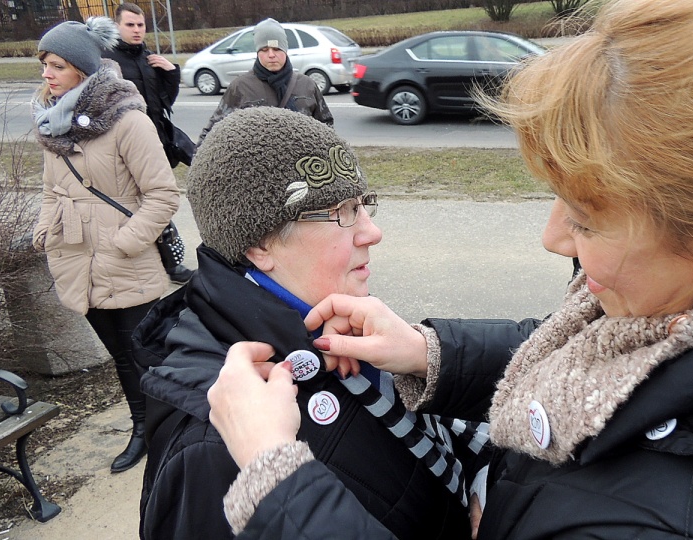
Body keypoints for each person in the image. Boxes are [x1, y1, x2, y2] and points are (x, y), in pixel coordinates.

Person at [206, 0, 693, 538]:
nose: (555, 238)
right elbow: (615, 364)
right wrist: (431, 352)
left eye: (586, 219)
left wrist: (276, 479)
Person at [133, 107, 487, 540]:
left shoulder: (340, 323)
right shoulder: (216, 444)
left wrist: (485, 482)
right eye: (342, 212)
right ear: (261, 245)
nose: (372, 232)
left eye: (363, 205)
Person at [31, 17, 180, 474]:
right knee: (121, 357)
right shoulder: (53, 124)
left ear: (82, 68)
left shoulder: (127, 121)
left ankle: (169, 433)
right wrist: (43, 229)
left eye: (57, 65)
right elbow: (51, 189)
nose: (47, 74)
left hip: (125, 261)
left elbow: (164, 194)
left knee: (146, 357)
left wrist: (124, 243)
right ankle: (142, 428)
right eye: (43, 65)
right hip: (77, 258)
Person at [103, 2, 194, 285]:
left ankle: (168, 262)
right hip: (125, 147)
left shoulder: (147, 57)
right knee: (150, 203)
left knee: (156, 200)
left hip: (156, 142)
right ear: (117, 26)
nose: (137, 30)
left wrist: (170, 73)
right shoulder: (106, 60)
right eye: (130, 25)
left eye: (141, 25)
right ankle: (169, 264)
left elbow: (163, 103)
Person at [197, 18, 333, 145]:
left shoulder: (307, 85)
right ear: (257, 52)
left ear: (285, 50)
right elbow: (214, 130)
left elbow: (326, 127)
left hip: (302, 165)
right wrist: (198, 160)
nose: (271, 55)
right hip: (256, 166)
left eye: (276, 49)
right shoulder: (240, 87)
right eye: (264, 49)